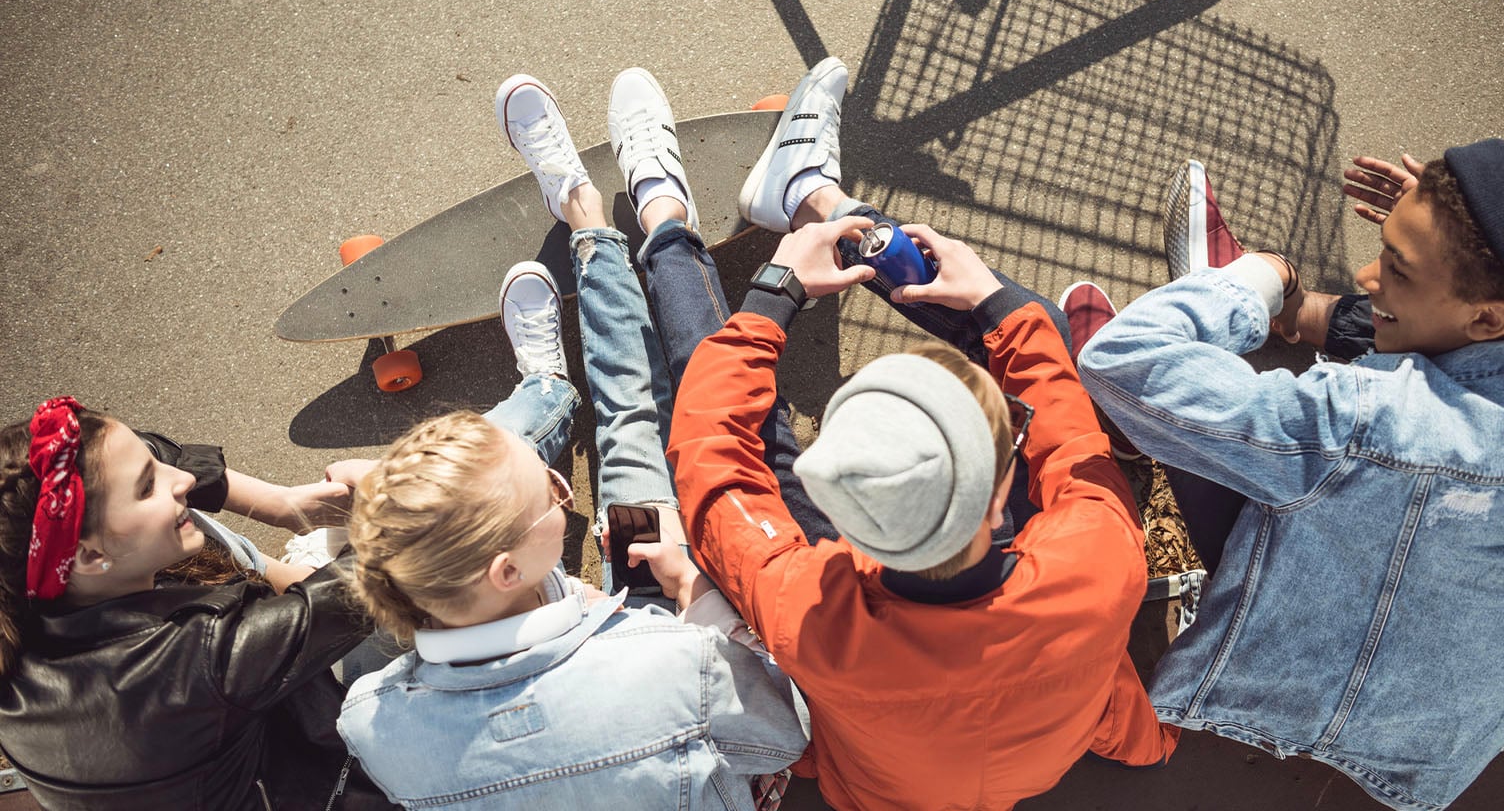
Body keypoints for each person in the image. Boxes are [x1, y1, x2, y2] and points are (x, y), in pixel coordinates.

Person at [641, 57, 1176, 810]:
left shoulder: (809, 612)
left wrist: (772, 297)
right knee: (1047, 340)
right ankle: (794, 201)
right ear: (1002, 499)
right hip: (1036, 758)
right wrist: (1001, 306)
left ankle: (676, 219)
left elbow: (714, 462)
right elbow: (1069, 435)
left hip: (872, 786)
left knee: (747, 437)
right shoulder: (1098, 562)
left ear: (843, 529)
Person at [1075, 118, 1504, 811]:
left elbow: (1119, 359)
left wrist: (1261, 275)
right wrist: (1454, 239)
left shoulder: (1369, 421)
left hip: (1354, 707)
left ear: (1489, 319)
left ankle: (1236, 311)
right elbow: (1455, 331)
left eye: (1398, 266)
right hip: (1489, 717)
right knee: (1413, 337)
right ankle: (1297, 315)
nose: (1366, 270)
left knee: (1254, 453)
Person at [334, 69, 809, 810]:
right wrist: (705, 607)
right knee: (629, 430)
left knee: (630, 436)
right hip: (647, 613)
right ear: (501, 570)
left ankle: (582, 234)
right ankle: (597, 224)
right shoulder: (669, 663)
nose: (562, 486)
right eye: (547, 492)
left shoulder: (374, 721)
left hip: (588, 625)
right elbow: (786, 733)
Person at [0, 402, 390, 809]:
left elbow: (134, 452)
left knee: (186, 523)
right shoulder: (193, 660)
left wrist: (278, 503)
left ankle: (297, 570)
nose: (184, 478)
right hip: (308, 791)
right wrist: (390, 493)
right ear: (89, 556)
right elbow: (354, 589)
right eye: (146, 486)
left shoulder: (24, 588)